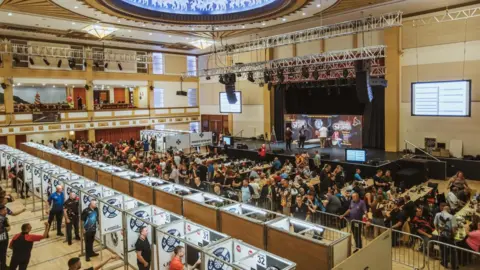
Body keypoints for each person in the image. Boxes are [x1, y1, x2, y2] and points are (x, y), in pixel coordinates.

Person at [0, 205, 10, 270]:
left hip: (3, 237)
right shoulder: (2, 218)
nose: (6, 211)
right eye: (4, 210)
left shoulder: (3, 217)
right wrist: (6, 229)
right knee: (3, 254)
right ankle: (3, 267)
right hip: (2, 239)